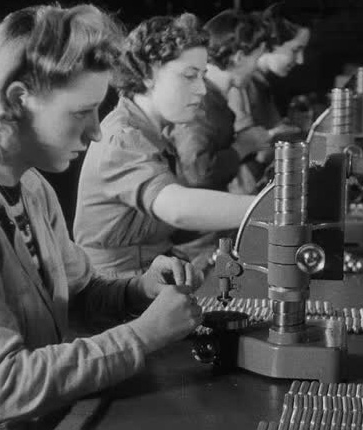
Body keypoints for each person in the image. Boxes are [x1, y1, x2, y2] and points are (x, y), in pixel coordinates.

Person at [0, 5, 203, 429]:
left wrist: (139, 290)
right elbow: (6, 386)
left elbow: (78, 295)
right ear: (19, 99)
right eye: (81, 112)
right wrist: (145, 334)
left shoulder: (30, 186)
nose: (96, 132)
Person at [73, 14, 256, 277]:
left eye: (203, 76)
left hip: (150, 274)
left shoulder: (157, 134)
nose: (202, 90)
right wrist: (270, 207)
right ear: (148, 74)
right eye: (189, 76)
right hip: (114, 288)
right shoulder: (124, 138)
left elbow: (171, 226)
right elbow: (178, 210)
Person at [169, 9, 291, 193]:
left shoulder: (215, 97)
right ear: (239, 57)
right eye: (256, 58)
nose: (256, 68)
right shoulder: (200, 103)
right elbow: (197, 174)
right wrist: (242, 147)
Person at [226, 2, 311, 186]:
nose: (300, 60)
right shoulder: (240, 85)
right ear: (270, 44)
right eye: (295, 50)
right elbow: (252, 150)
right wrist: (276, 136)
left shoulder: (260, 83)